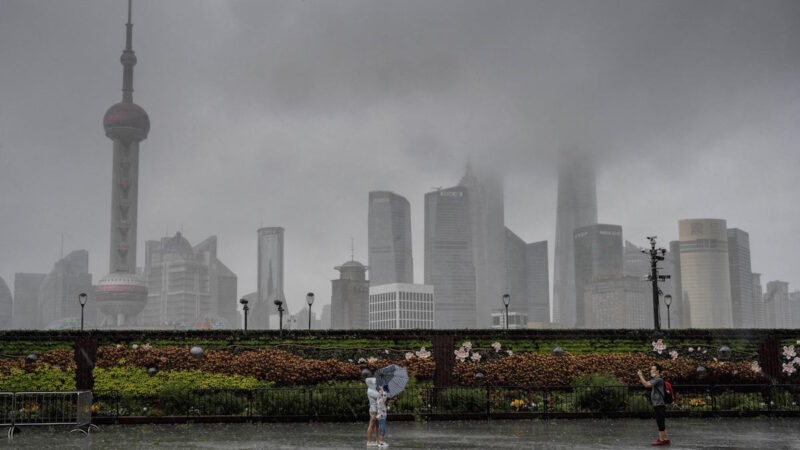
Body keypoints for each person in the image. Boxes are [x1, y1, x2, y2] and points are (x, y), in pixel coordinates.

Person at [638, 364, 670, 446]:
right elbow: (647, 383)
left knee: (660, 422)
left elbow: (646, 385)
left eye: (653, 369)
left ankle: (661, 440)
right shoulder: (655, 380)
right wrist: (642, 378)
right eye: (651, 369)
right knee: (661, 422)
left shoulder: (658, 380)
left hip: (659, 404)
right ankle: (665, 439)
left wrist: (640, 376)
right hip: (658, 404)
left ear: (657, 371)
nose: (651, 371)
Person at [366, 377, 380, 447]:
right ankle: (369, 441)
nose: (376, 384)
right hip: (373, 410)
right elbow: (379, 396)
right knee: (371, 425)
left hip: (377, 410)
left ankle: (378, 441)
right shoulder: (370, 391)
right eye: (374, 383)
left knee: (377, 425)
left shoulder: (373, 390)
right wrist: (382, 390)